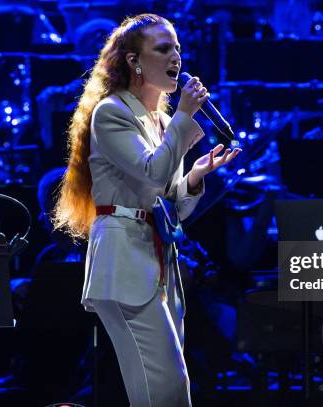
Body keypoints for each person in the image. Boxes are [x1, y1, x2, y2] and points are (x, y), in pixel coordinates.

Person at [52, 13, 241, 406]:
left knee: (170, 392)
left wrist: (194, 178)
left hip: (159, 263)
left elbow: (171, 204)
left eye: (177, 48)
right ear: (134, 61)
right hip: (123, 262)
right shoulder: (112, 112)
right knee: (166, 390)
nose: (176, 56)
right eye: (163, 48)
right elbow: (151, 173)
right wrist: (185, 118)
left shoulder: (161, 120)